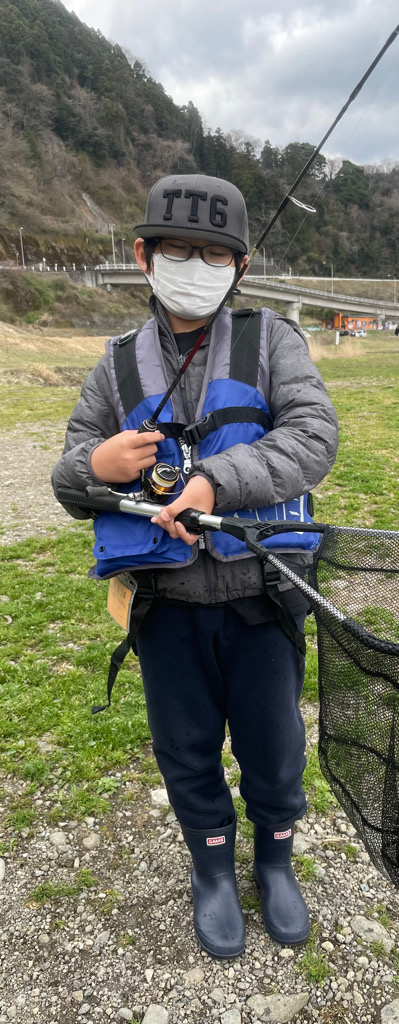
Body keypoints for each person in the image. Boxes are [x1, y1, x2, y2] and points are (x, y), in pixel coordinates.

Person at [52, 174, 339, 960]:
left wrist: (219, 479)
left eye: (215, 254)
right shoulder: (114, 365)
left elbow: (315, 436)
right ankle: (212, 867)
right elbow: (68, 479)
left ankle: (275, 859)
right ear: (143, 256)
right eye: (177, 249)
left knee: (275, 747)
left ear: (240, 267)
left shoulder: (274, 341)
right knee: (184, 748)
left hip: (263, 596)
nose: (195, 266)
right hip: (165, 607)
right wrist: (94, 467)